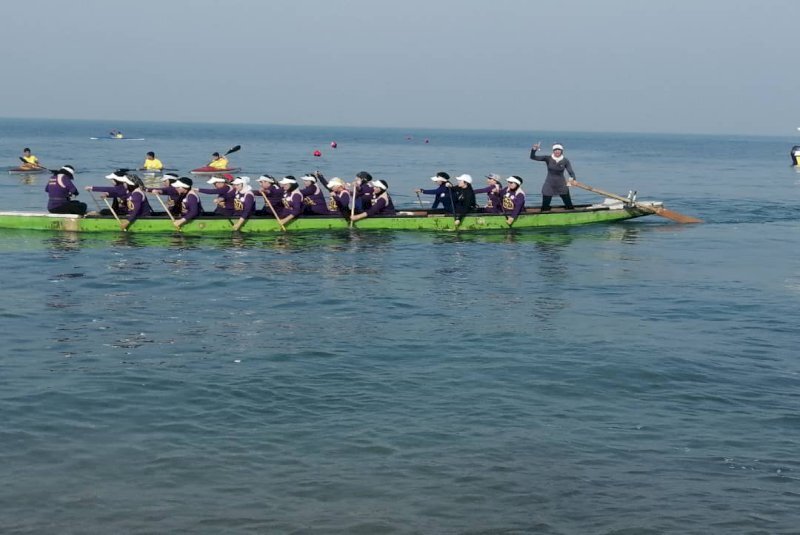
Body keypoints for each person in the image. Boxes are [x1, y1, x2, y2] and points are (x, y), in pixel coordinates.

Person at [530, 142, 576, 211]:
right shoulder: (547, 158)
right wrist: (534, 149)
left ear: (561, 151)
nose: (557, 151)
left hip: (562, 185)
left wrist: (570, 183)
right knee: (545, 206)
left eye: (559, 150)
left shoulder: (565, 161)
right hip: (549, 184)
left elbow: (571, 173)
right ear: (553, 151)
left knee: (569, 206)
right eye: (555, 150)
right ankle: (544, 214)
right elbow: (532, 157)